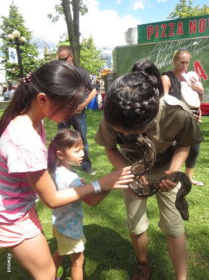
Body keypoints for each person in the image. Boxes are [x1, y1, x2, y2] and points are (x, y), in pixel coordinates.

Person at [0, 60, 134, 280]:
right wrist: (100, 184)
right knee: (47, 274)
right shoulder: (24, 137)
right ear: (43, 99)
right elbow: (51, 200)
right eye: (69, 107)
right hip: (11, 216)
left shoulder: (34, 122)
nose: (73, 113)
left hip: (22, 207)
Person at [95, 59, 203, 280]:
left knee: (174, 227)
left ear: (151, 115)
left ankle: (181, 277)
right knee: (136, 225)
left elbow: (185, 143)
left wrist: (173, 171)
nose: (124, 134)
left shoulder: (177, 112)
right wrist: (131, 173)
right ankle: (143, 263)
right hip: (131, 167)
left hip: (166, 167)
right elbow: (109, 148)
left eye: (132, 131)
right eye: (120, 131)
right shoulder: (113, 113)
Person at [48, 128, 120, 280]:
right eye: (77, 150)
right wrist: (110, 186)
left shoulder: (57, 170)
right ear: (60, 155)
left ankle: (49, 275)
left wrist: (83, 185)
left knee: (61, 251)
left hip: (59, 224)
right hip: (70, 229)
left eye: (82, 149)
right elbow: (93, 201)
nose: (82, 154)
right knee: (78, 262)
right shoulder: (71, 179)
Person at [161, 49, 205, 186]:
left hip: (194, 117)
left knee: (195, 148)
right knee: (177, 148)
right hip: (176, 119)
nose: (185, 66)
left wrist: (201, 91)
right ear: (174, 62)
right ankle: (172, 175)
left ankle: (188, 178)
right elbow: (163, 101)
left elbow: (198, 100)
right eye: (182, 62)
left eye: (187, 63)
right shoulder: (167, 77)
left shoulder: (191, 77)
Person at [57, 45, 97, 175]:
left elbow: (94, 91)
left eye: (64, 59)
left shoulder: (81, 72)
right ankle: (66, 167)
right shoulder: (59, 73)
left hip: (78, 113)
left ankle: (86, 166)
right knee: (63, 139)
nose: (62, 62)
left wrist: (83, 104)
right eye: (59, 60)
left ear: (71, 57)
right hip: (63, 112)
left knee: (82, 139)